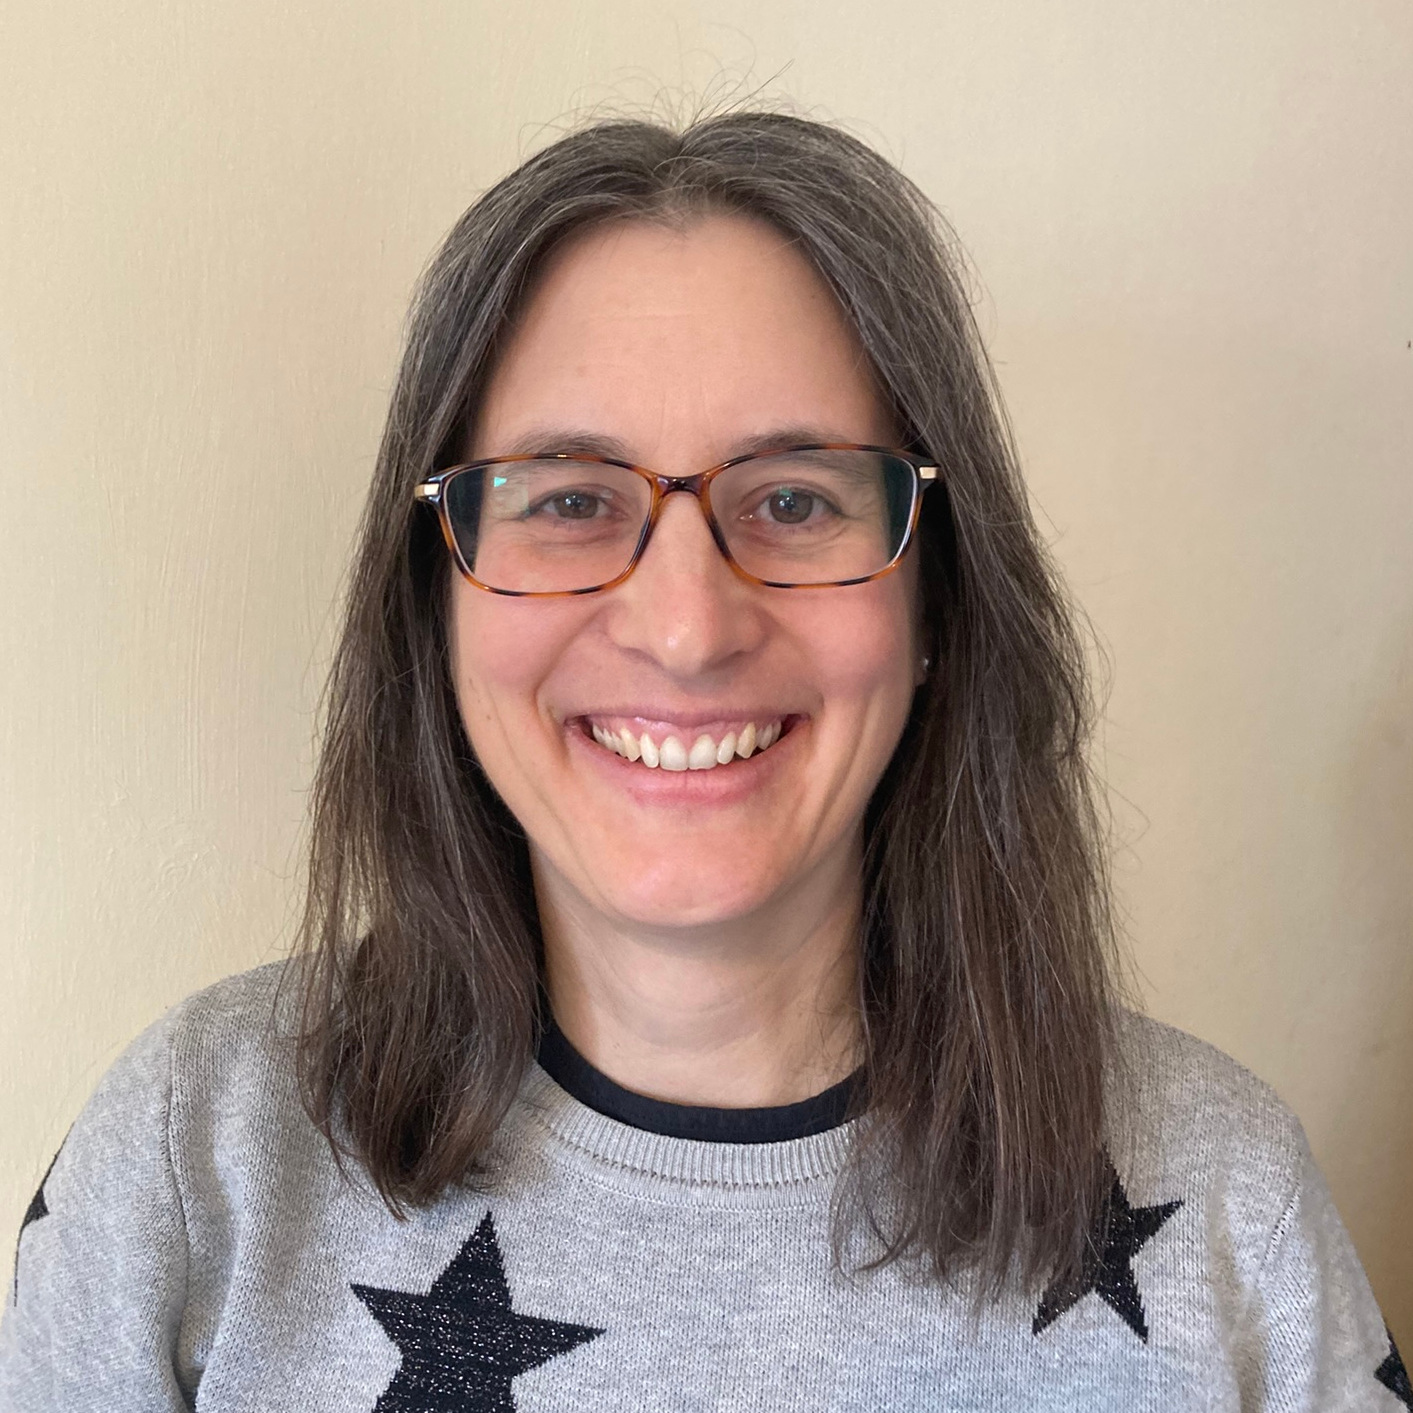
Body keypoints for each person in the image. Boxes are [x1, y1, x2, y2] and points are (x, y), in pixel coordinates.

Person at [1, 110, 1402, 1413]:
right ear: (431, 601)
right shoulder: (197, 1162)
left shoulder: (1223, 1202)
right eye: (567, 499)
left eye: (793, 499)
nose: (683, 627)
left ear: (935, 606)